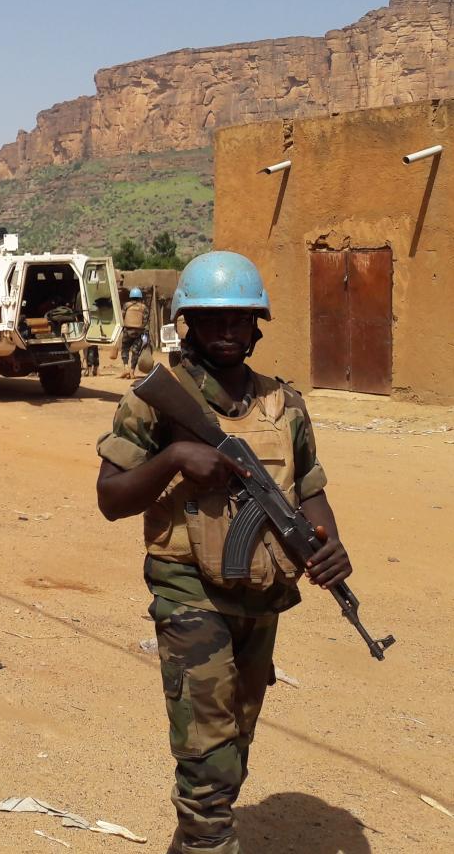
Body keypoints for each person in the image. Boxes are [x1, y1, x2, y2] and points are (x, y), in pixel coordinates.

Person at [95, 252, 352, 854]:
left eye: (240, 319)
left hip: (263, 593)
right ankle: (208, 842)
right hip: (189, 592)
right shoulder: (156, 400)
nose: (228, 331)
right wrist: (175, 461)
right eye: (212, 320)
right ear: (187, 323)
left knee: (236, 738)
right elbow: (111, 498)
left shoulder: (284, 404)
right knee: (206, 752)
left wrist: (329, 546)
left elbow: (308, 488)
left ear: (258, 324)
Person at [119, 286, 149, 378]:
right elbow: (145, 320)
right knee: (136, 352)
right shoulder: (144, 307)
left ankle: (126, 367)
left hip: (127, 331)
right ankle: (132, 372)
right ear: (140, 297)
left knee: (125, 349)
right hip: (139, 332)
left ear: (131, 296)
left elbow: (121, 317)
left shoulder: (126, 305)